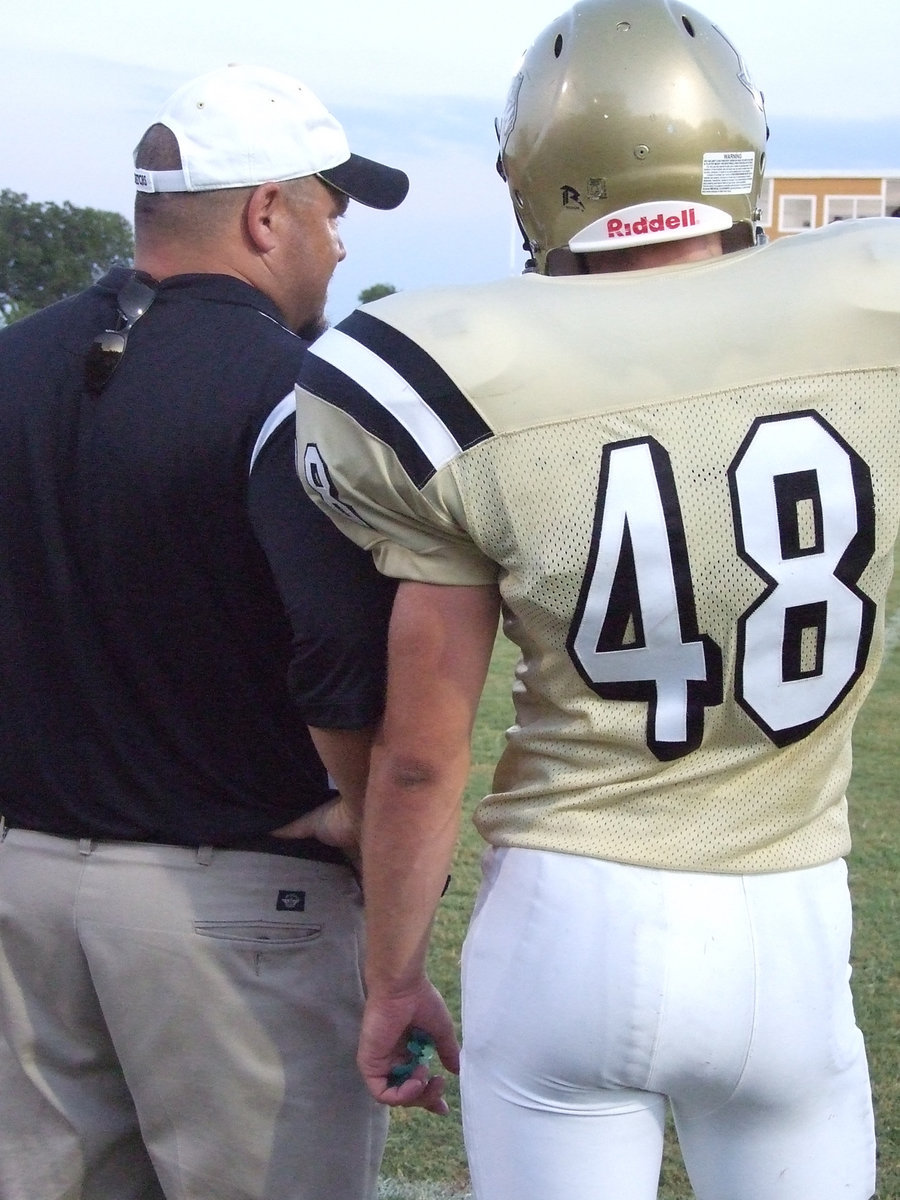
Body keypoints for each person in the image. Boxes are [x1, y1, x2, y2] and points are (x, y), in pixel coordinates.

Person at [294, 2, 900, 1196]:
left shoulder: (459, 370)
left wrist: (394, 976)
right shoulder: (867, 314)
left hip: (573, 918)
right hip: (792, 918)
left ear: (536, 172)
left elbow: (423, 753)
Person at [0, 63, 407, 1200]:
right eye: (332, 213)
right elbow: (343, 652)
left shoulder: (15, 362)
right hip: (231, 903)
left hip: (24, 886)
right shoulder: (296, 388)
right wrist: (355, 805)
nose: (337, 246)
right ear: (266, 212)